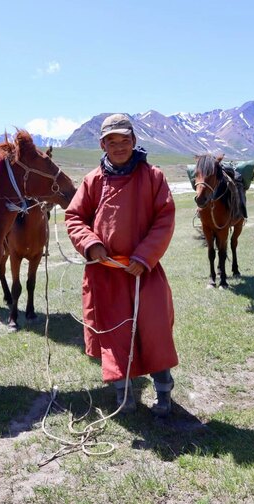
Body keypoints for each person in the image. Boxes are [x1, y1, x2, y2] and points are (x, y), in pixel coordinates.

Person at [65, 113, 178, 416]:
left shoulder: (153, 177)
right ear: (103, 144)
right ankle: (123, 395)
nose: (119, 146)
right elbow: (75, 218)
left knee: (153, 331)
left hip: (144, 272)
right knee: (115, 334)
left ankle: (164, 393)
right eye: (111, 141)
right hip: (107, 275)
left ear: (134, 141)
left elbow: (164, 218)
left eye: (124, 140)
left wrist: (144, 257)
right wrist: (91, 244)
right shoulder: (92, 181)